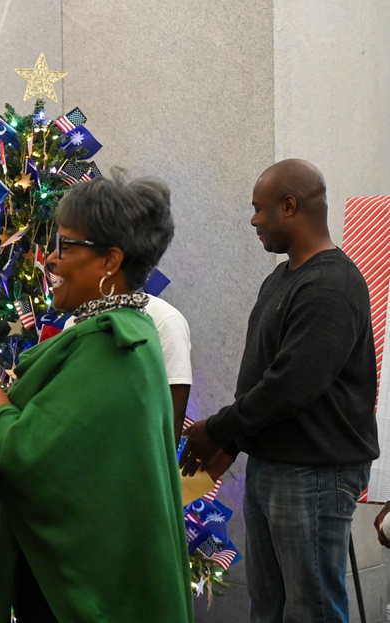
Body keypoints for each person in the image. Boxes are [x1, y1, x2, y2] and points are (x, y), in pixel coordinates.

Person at [0, 172, 192, 622]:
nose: (50, 257)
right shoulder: (120, 333)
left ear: (110, 260)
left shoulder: (113, 345)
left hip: (86, 591)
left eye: (66, 246)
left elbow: (26, 454)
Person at [179, 159, 379, 623]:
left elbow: (291, 386)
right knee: (267, 609)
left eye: (259, 209)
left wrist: (221, 427)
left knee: (311, 612)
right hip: (275, 467)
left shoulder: (330, 284)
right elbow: (267, 377)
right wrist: (234, 440)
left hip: (314, 476)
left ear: (290, 206)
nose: (252, 220)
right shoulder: (283, 277)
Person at [67, 293, 192, 445]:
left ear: (109, 268)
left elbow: (172, 421)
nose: (55, 271)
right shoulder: (75, 319)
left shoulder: (165, 320)